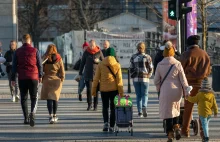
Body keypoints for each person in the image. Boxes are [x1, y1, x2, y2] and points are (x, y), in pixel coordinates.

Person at [154, 41, 190, 142]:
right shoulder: (177, 64)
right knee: (176, 109)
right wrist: (186, 90)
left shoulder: (160, 64)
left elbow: (156, 80)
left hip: (165, 91)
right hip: (176, 91)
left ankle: (170, 134)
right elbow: (183, 79)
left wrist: (158, 88)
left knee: (167, 111)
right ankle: (177, 127)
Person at [180, 35, 211, 138]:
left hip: (190, 85)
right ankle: (203, 133)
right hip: (203, 86)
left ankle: (185, 131)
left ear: (188, 44)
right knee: (202, 110)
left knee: (188, 109)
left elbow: (181, 70)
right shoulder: (205, 54)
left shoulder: (186, 54)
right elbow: (208, 70)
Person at [11, 34, 43, 127]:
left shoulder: (17, 52)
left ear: (22, 41)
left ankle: (26, 118)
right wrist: (40, 75)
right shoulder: (35, 50)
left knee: (23, 98)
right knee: (34, 97)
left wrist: (13, 78)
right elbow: (40, 64)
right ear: (30, 41)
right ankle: (33, 113)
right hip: (33, 77)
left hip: (22, 77)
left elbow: (14, 66)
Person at [92, 47, 123, 132]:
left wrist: (93, 90)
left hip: (103, 90)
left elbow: (96, 78)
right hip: (114, 89)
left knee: (105, 107)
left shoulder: (101, 64)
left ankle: (106, 123)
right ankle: (112, 126)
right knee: (113, 107)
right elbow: (119, 80)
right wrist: (121, 92)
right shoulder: (117, 65)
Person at [185, 77, 218, 142]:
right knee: (206, 125)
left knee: (204, 125)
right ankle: (206, 135)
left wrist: (188, 97)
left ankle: (206, 137)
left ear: (202, 87)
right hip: (209, 113)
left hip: (202, 113)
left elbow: (193, 99)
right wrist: (216, 112)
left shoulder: (199, 94)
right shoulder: (211, 95)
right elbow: (215, 105)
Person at [41, 44, 65, 124]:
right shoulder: (59, 58)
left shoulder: (45, 57)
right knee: (55, 98)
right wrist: (62, 78)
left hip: (47, 79)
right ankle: (55, 115)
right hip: (56, 79)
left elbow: (41, 67)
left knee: (49, 98)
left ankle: (50, 115)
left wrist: (41, 77)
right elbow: (62, 69)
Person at [129, 42, 153, 118]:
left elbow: (131, 68)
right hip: (145, 78)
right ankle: (144, 106)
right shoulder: (147, 57)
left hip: (136, 79)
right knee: (145, 94)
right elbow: (151, 67)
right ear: (144, 48)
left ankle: (139, 112)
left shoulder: (133, 57)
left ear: (137, 48)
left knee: (138, 95)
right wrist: (149, 75)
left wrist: (132, 75)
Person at [79, 40, 104, 111]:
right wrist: (80, 73)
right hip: (88, 73)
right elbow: (82, 63)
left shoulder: (99, 52)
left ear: (95, 45)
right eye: (90, 46)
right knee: (89, 90)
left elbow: (104, 61)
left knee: (96, 90)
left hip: (97, 74)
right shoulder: (86, 52)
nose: (91, 47)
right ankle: (89, 104)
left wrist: (99, 61)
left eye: (93, 46)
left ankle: (95, 105)